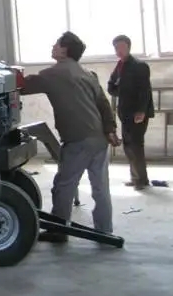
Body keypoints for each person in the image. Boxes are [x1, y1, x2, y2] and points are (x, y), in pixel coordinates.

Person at [21, 31, 120, 243]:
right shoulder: (88, 74)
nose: (53, 46)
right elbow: (103, 104)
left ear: (65, 50)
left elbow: (22, 86)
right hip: (99, 138)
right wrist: (111, 129)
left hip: (78, 140)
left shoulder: (52, 74)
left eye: (56, 44)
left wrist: (3, 74)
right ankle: (105, 230)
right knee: (101, 188)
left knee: (64, 186)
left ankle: (58, 231)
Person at [108, 34, 154, 190]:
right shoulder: (120, 66)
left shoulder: (140, 66)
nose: (118, 50)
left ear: (128, 47)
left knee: (136, 145)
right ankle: (136, 178)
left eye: (121, 47)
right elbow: (111, 87)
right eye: (116, 48)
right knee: (128, 145)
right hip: (125, 112)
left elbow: (145, 90)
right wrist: (119, 88)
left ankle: (140, 180)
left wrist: (141, 110)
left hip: (137, 113)